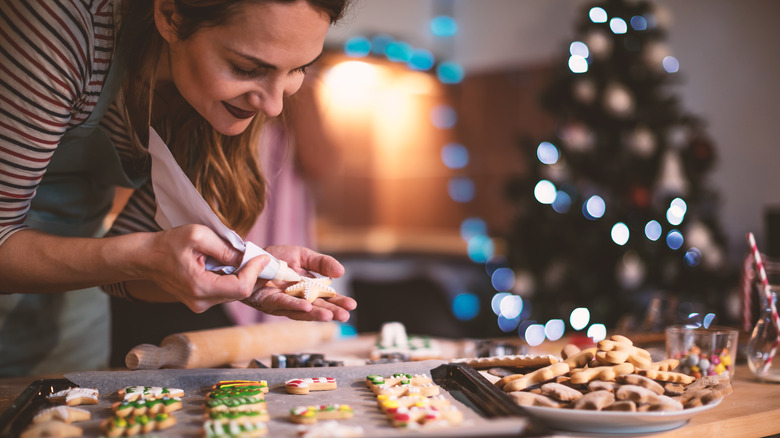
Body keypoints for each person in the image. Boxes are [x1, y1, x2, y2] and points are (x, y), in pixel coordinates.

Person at [0, 0, 357, 377]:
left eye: (298, 68)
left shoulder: (202, 104)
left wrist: (245, 277)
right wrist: (144, 253)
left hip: (67, 312)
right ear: (170, 14)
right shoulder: (65, 22)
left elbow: (122, 276)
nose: (272, 106)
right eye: (247, 68)